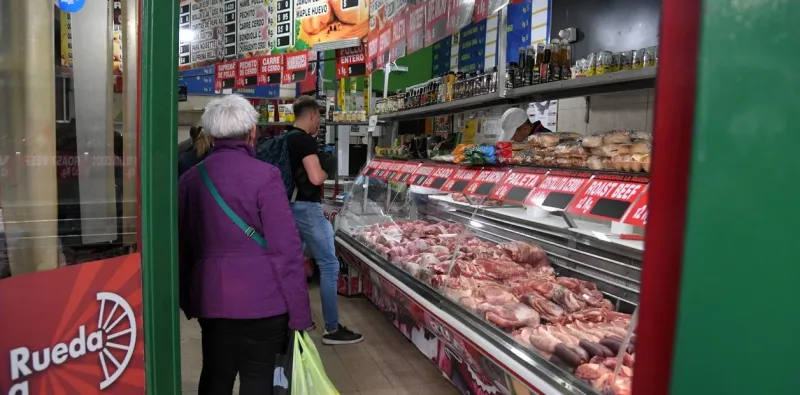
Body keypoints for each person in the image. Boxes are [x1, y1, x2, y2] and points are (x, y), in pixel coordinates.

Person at [178, 94, 311, 395]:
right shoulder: (266, 177)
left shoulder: (189, 180)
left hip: (212, 301)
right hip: (265, 304)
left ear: (210, 136)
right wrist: (300, 313)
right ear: (252, 133)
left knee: (215, 375)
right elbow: (286, 251)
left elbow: (183, 247)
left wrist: (188, 297)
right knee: (259, 381)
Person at [286, 95, 363, 345]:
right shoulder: (304, 142)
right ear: (312, 116)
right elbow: (317, 178)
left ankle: (301, 320)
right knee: (329, 265)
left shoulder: (286, 138)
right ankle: (332, 329)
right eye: (318, 116)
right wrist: (326, 165)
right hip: (307, 209)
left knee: (298, 262)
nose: (318, 121)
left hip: (289, 207)